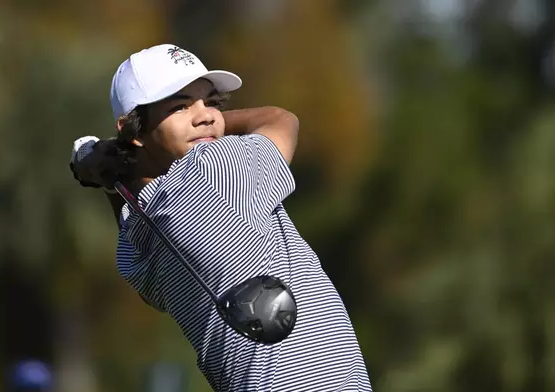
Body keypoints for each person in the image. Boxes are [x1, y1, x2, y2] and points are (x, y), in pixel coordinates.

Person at [70, 44, 371, 391]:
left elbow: (131, 216)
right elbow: (280, 120)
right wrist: (224, 124)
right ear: (134, 131)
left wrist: (109, 168)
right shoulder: (216, 166)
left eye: (212, 103)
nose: (207, 117)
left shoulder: (137, 242)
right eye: (180, 106)